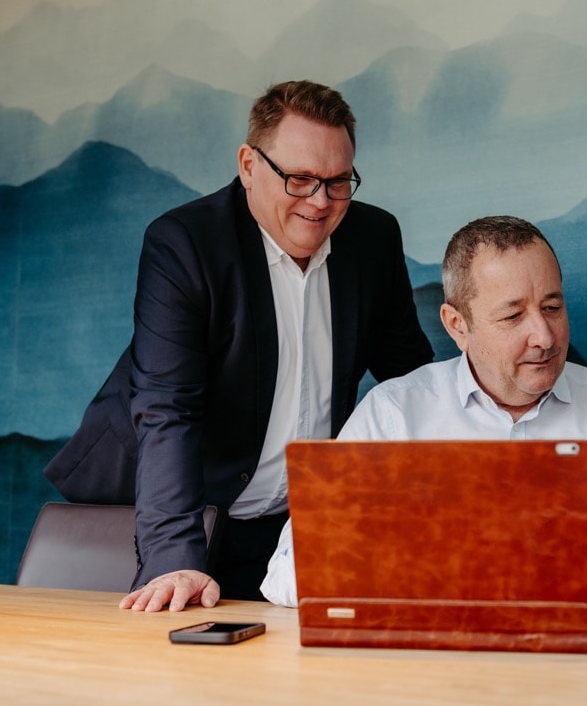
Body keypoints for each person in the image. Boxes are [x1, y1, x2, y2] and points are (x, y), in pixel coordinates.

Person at [260, 216, 587, 622]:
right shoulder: (394, 414)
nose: (545, 337)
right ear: (457, 326)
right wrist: (413, 549)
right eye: (513, 316)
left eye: (552, 307)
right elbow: (286, 576)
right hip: (434, 680)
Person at [44, 80, 434, 611]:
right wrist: (173, 557)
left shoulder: (373, 239)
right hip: (177, 514)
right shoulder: (186, 243)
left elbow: (410, 381)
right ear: (249, 166)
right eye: (300, 179)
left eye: (338, 181)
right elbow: (167, 408)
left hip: (294, 529)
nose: (320, 202)